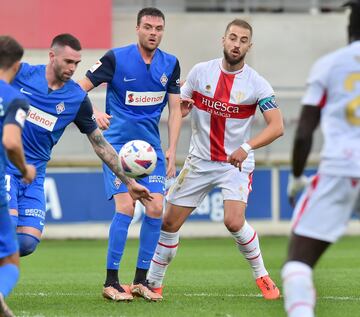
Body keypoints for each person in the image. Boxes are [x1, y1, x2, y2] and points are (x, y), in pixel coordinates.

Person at [147, 19, 283, 300]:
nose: (237, 44)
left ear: (249, 46)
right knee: (169, 223)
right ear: (223, 40)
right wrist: (182, 109)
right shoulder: (199, 73)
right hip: (200, 160)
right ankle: (153, 282)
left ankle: (262, 275)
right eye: (233, 38)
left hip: (235, 163)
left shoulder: (257, 84)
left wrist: (246, 146)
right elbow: (178, 108)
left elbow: (276, 126)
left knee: (234, 222)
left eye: (243, 40)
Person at [6, 34, 152, 260]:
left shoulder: (76, 98)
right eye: (68, 62)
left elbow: (100, 144)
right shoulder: (21, 74)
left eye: (77, 63)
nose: (73, 68)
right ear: (52, 56)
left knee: (26, 242)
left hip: (34, 175)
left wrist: (130, 182)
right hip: (5, 166)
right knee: (6, 231)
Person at [78, 7, 182, 302]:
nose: (153, 33)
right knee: (126, 209)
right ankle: (111, 281)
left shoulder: (170, 64)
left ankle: (140, 281)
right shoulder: (115, 58)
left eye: (159, 28)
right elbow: (76, 90)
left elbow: (175, 109)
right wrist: (94, 112)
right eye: (148, 27)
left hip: (151, 152)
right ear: (137, 29)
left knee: (155, 209)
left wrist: (172, 148)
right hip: (118, 151)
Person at [282, 1, 360, 316]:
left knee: (298, 264)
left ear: (348, 28)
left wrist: (297, 176)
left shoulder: (329, 65)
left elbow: (303, 133)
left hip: (341, 170)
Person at [0, 35, 36, 317]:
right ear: (17, 65)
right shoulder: (15, 99)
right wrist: (25, 169)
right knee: (10, 256)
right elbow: (11, 142)